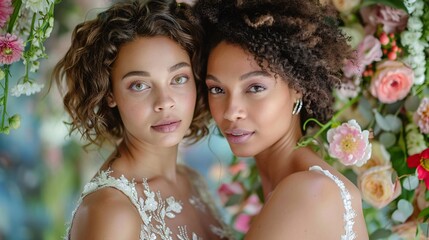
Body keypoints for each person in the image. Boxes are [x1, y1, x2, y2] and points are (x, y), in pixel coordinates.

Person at [53, 0, 232, 239]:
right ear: (109, 94)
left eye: (178, 78)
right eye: (139, 85)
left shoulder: (192, 180)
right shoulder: (111, 211)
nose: (164, 101)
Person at [193, 0, 369, 239]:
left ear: (297, 87)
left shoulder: (307, 191)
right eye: (217, 89)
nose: (231, 112)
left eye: (255, 88)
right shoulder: (301, 183)